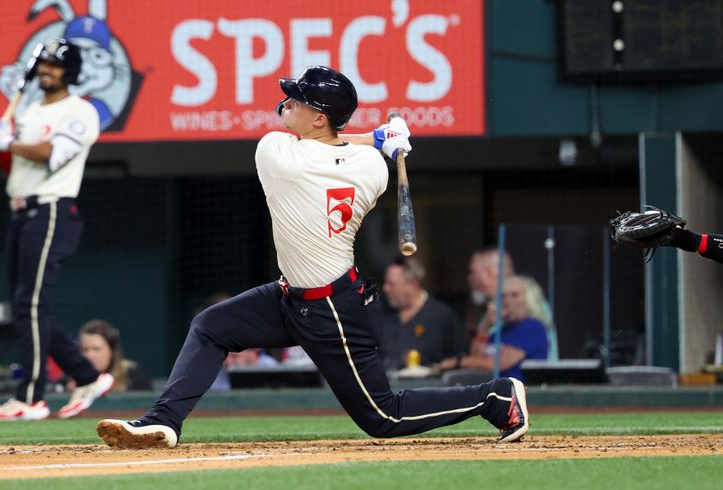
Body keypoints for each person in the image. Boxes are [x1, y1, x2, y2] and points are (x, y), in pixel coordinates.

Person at [96, 65, 528, 449]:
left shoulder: (275, 154)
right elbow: (340, 146)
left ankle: (496, 396)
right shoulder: (372, 169)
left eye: (297, 99)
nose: (286, 102)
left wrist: (378, 136)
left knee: (384, 417)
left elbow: (327, 146)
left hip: (331, 308)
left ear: (319, 117)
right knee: (211, 327)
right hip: (289, 297)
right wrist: (386, 142)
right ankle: (164, 422)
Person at [0, 38, 113, 421]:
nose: (46, 71)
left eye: (54, 65)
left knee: (31, 303)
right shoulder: (29, 110)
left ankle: (31, 396)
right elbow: (16, 167)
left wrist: (13, 142)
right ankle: (88, 377)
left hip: (51, 208)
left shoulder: (81, 110)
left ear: (69, 71)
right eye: (44, 65)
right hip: (20, 208)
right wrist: (2, 145)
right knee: (27, 306)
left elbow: (54, 156)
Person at [451, 275, 549, 382]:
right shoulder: (500, 331)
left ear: (529, 299)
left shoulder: (532, 327)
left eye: (515, 295)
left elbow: (498, 363)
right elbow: (475, 355)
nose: (507, 301)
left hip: (517, 393)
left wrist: (459, 362)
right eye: (503, 296)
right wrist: (487, 325)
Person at [380, 256, 469, 370]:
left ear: (412, 284)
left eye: (391, 284)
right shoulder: (383, 315)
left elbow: (461, 359)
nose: (385, 288)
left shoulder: (442, 316)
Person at [77, 320, 153, 392]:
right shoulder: (73, 378)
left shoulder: (132, 375)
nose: (89, 355)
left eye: (96, 349)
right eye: (85, 349)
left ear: (112, 350)